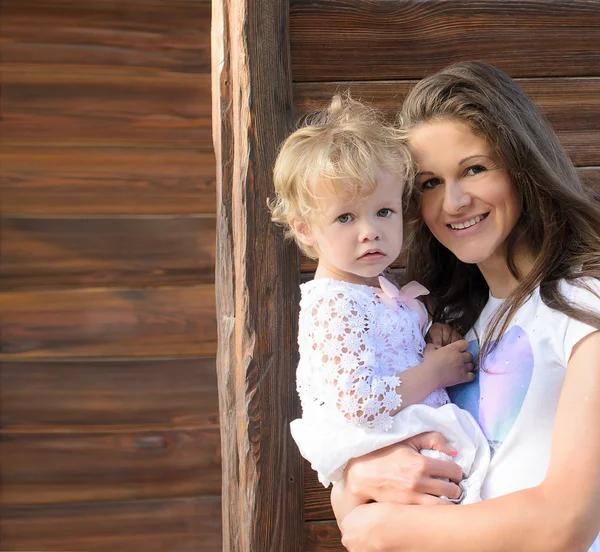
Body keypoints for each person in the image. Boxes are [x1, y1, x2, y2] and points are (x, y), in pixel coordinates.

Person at [333, 61, 600, 552]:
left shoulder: (585, 307)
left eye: (474, 169)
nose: (453, 202)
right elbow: (359, 497)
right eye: (431, 183)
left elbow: (566, 524)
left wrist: (388, 530)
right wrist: (358, 476)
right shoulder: (445, 330)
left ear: (523, 167)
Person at [268, 94, 490, 521]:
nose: (370, 232)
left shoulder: (375, 290)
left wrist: (427, 336)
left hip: (407, 444)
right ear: (305, 230)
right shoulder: (334, 304)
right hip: (384, 446)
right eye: (346, 218)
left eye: (383, 211)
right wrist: (434, 372)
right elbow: (359, 400)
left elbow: (384, 351)